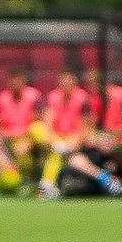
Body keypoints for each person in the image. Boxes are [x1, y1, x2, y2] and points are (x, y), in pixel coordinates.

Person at [38, 70, 91, 198]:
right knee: (51, 143)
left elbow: (86, 125)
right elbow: (48, 122)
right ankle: (47, 187)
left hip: (74, 138)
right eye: (63, 82)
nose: (65, 84)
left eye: (69, 81)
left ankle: (46, 186)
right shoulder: (53, 97)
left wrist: (76, 141)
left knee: (57, 152)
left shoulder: (83, 97)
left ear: (75, 83)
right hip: (57, 137)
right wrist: (53, 140)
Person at [0, 71, 46, 183]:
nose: (16, 84)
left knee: (38, 130)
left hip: (29, 137)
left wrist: (28, 141)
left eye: (19, 81)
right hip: (10, 138)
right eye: (13, 81)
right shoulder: (2, 98)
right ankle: (21, 181)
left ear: (24, 82)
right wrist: (10, 137)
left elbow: (38, 122)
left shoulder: (34, 95)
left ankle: (45, 156)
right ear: (9, 82)